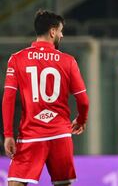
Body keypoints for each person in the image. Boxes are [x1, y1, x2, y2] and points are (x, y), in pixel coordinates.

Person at [2, 10, 89, 186]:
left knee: (15, 183)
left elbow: (8, 99)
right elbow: (83, 100)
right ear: (52, 32)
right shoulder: (68, 61)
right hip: (60, 135)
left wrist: (8, 134)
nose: (62, 35)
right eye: (61, 31)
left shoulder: (17, 59)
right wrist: (81, 119)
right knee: (63, 184)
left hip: (31, 136)